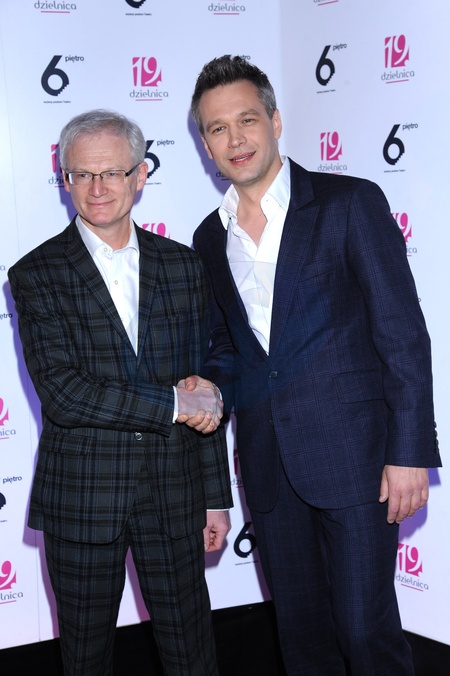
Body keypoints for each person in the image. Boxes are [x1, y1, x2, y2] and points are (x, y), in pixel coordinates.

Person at [189, 55, 441, 675]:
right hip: (270, 465)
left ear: (275, 121)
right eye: (218, 128)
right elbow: (229, 348)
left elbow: (402, 333)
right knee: (302, 641)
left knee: (364, 631)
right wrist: (208, 387)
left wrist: (409, 451)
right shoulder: (208, 238)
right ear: (206, 145)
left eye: (247, 119)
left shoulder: (348, 203)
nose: (235, 138)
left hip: (358, 459)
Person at [8, 109, 232, 676]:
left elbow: (202, 386)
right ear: (64, 179)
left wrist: (215, 496)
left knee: (194, 657)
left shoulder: (184, 267)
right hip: (83, 501)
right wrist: (175, 405)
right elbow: (64, 393)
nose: (97, 188)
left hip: (175, 496)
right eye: (81, 175)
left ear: (141, 175)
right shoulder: (35, 273)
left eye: (111, 172)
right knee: (85, 661)